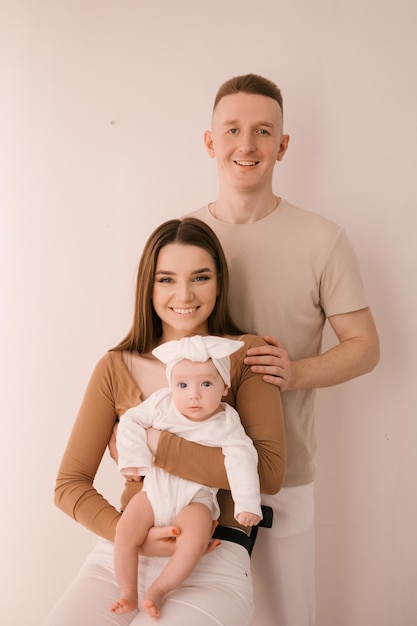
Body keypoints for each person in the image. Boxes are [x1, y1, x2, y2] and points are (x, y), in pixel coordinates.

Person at [187, 73, 380, 626]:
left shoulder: (323, 239)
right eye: (233, 130)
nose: (246, 145)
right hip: (192, 473)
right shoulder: (181, 237)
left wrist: (294, 373)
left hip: (284, 475)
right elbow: (151, 349)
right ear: (210, 142)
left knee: (291, 619)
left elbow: (365, 347)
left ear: (282, 145)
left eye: (263, 131)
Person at [44, 217, 286, 626]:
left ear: (219, 283)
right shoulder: (115, 366)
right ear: (148, 287)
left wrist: (156, 444)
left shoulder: (245, 354)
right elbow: (69, 485)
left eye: (200, 277)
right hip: (122, 554)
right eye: (167, 279)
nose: (184, 294)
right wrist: (130, 535)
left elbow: (269, 473)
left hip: (211, 553)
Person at [111, 334, 262, 618]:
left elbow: (242, 459)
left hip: (196, 498)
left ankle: (159, 588)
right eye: (182, 385)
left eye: (206, 384)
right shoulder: (162, 404)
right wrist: (133, 460)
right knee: (125, 531)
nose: (193, 394)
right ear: (170, 386)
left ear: (225, 386)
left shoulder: (226, 421)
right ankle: (128, 590)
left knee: (194, 540)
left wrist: (246, 504)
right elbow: (130, 419)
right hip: (153, 493)